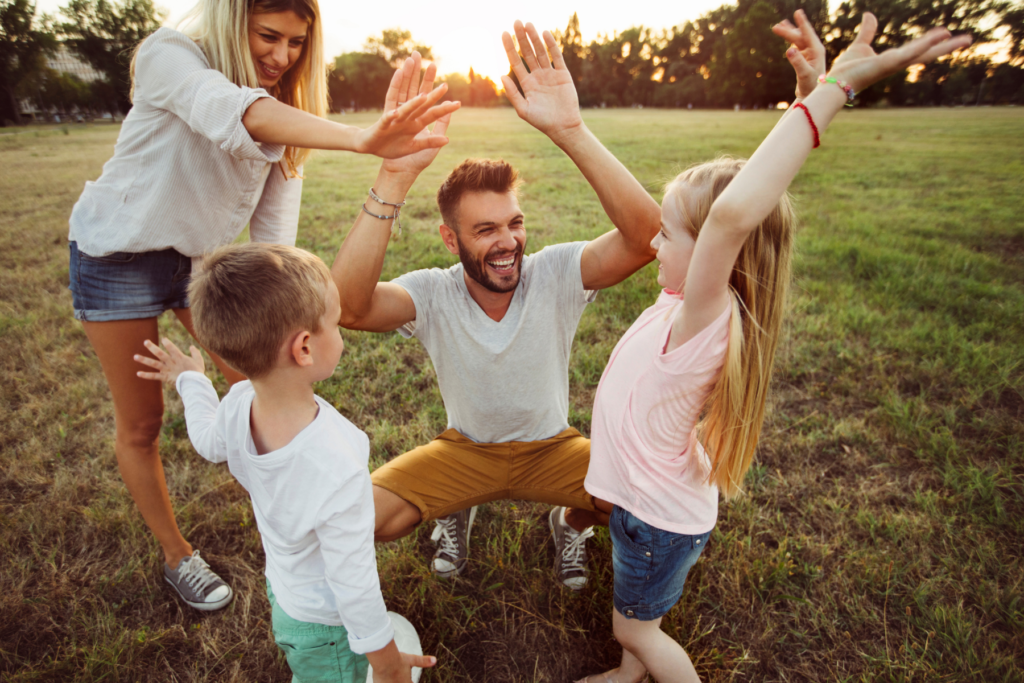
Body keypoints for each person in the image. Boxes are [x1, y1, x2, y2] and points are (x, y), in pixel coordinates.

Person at [572, 13, 970, 683]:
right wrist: (805, 93)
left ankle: (642, 663)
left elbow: (730, 214)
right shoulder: (692, 300)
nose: (652, 244)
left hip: (656, 520)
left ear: (716, 257)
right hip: (655, 508)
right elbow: (739, 201)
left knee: (634, 624)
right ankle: (628, 670)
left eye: (668, 235)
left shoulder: (702, 313)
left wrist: (837, 87)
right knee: (636, 611)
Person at [66, 0, 459, 611]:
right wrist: (361, 139)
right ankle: (178, 556)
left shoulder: (288, 118)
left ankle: (294, 514)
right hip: (120, 254)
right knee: (142, 421)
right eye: (267, 37)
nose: (282, 57)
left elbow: (275, 244)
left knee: (271, 388)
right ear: (231, 24)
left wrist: (300, 317)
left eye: (297, 43)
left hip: (206, 265)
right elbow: (234, 112)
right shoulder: (170, 56)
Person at [331, 22, 664, 590]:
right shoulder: (434, 291)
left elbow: (644, 239)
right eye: (485, 230)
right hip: (466, 452)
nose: (507, 242)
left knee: (652, 506)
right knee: (365, 517)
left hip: (552, 449)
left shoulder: (554, 272)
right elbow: (349, 307)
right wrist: (393, 175)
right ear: (450, 239)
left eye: (514, 223)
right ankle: (454, 510)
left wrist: (573, 131)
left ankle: (569, 521)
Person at [134, 243, 438, 683]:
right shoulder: (335, 460)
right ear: (304, 349)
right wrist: (387, 665)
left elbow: (206, 439)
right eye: (335, 324)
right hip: (328, 624)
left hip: (286, 593)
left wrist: (192, 380)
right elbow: (353, 583)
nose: (342, 332)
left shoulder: (239, 404)